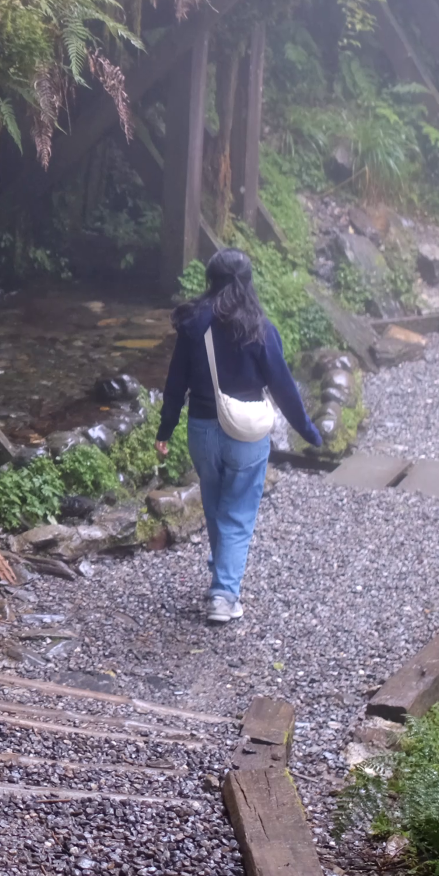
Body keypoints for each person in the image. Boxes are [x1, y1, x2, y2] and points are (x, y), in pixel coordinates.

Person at [155, 250, 323, 624]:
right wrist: (308, 432)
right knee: (238, 513)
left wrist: (165, 428)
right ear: (247, 283)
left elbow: (174, 383)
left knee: (216, 506)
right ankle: (224, 595)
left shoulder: (192, 324)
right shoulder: (260, 329)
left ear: (210, 280)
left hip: (201, 430)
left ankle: (222, 577)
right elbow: (284, 389)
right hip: (245, 435)